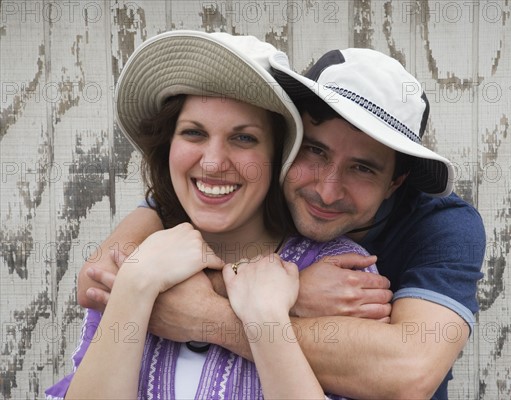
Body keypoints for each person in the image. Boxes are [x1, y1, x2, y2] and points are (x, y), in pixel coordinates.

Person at [77, 46, 486, 399]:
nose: (327, 191)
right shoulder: (214, 202)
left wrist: (208, 312)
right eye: (315, 152)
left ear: (395, 182)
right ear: (288, 147)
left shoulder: (440, 229)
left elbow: (407, 375)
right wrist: (290, 290)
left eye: (362, 169)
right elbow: (98, 281)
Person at [46, 31, 381, 400]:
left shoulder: (341, 274)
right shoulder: (136, 255)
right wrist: (138, 280)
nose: (212, 163)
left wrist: (266, 314)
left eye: (243, 139)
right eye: (193, 133)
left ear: (279, 155)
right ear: (168, 146)